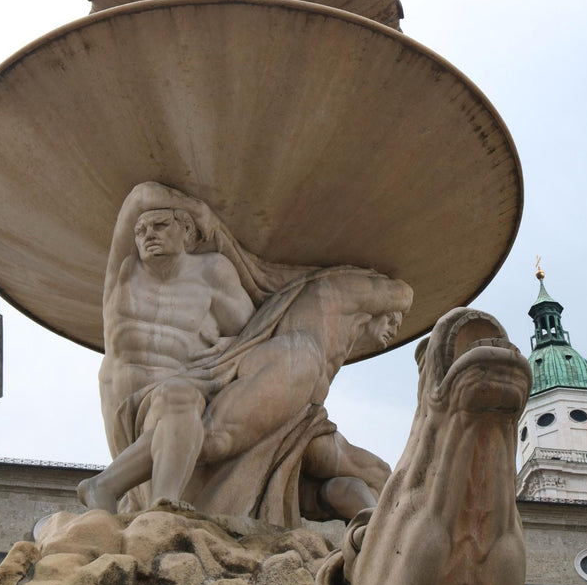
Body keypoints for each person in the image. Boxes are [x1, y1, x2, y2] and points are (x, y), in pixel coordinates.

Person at [79, 182, 409, 525]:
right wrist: (205, 214)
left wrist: (231, 347)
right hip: (133, 404)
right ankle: (152, 505)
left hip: (190, 396)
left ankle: (157, 504)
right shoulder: (124, 272)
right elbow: (141, 197)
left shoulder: (212, 273)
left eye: (161, 225)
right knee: (184, 399)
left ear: (187, 233)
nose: (149, 235)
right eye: (141, 230)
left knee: (185, 396)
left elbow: (251, 331)